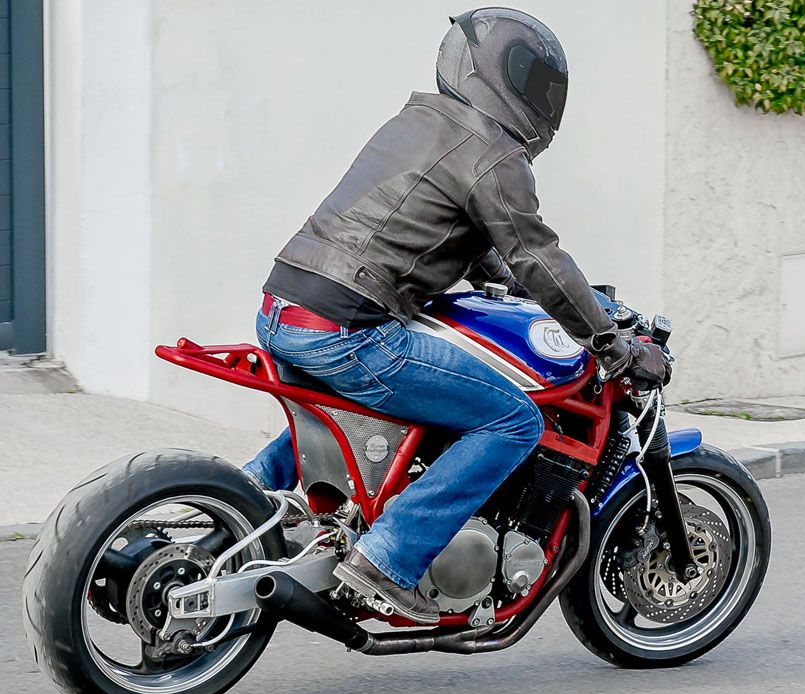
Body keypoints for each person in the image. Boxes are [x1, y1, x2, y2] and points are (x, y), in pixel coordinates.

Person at [242, 8, 670, 624]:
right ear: (505, 76)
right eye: (536, 81)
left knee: (346, 410)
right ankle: (387, 559)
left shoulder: (419, 122)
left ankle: (242, 505)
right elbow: (537, 257)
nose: (542, 95)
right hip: (348, 327)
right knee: (512, 420)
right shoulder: (494, 156)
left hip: (285, 305)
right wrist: (612, 344)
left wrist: (510, 283)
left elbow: (456, 236)